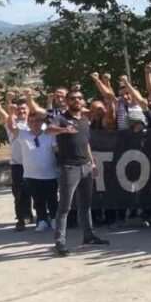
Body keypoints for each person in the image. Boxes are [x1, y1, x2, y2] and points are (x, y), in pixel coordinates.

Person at [46, 90, 109, 256]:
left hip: (85, 166)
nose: (77, 100)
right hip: (68, 167)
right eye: (73, 98)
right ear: (67, 101)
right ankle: (59, 243)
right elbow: (48, 130)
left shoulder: (84, 120)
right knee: (65, 207)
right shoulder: (61, 118)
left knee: (85, 204)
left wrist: (92, 163)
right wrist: (63, 130)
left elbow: (86, 143)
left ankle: (89, 236)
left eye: (80, 98)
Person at [0, 91, 33, 231]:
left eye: (24, 109)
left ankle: (40, 216)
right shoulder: (11, 124)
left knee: (37, 191)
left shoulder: (35, 123)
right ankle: (21, 219)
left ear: (29, 110)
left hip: (33, 164)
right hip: (18, 165)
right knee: (19, 193)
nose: (21, 111)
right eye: (19, 109)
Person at [12, 109, 59, 232]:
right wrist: (10, 110)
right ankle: (42, 219)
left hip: (49, 174)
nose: (34, 123)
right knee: (38, 199)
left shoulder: (49, 135)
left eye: (37, 121)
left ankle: (54, 218)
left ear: (42, 122)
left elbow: (57, 150)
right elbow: (11, 126)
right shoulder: (23, 134)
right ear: (28, 123)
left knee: (52, 198)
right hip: (31, 175)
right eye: (31, 121)